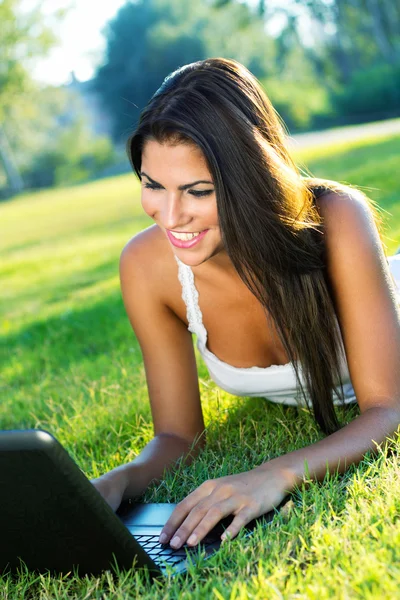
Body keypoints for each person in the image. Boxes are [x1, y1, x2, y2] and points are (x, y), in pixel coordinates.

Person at [92, 58, 400, 551]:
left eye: (197, 191)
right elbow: (177, 436)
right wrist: (118, 482)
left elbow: (387, 410)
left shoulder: (337, 217)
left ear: (248, 178)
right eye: (152, 185)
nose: (170, 216)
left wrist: (274, 474)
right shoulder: (146, 266)